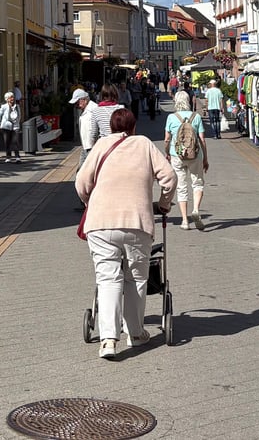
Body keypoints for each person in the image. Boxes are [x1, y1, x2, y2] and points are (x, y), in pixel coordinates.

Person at [76, 108, 177, 360]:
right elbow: (170, 177)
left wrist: (90, 202)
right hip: (136, 222)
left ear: (111, 127)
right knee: (135, 278)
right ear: (134, 127)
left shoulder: (101, 145)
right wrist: (164, 204)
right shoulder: (143, 144)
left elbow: (81, 182)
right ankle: (135, 333)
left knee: (108, 279)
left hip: (100, 223)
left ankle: (108, 340)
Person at [163, 90, 209, 230]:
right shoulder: (196, 117)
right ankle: (195, 210)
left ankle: (184, 221)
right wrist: (205, 158)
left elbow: (167, 139)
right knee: (197, 184)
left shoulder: (171, 117)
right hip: (195, 155)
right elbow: (202, 140)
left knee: (181, 187)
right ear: (188, 101)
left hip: (177, 155)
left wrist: (167, 153)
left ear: (176, 102)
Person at [69, 87, 95, 169]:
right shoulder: (85, 110)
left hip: (91, 147)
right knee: (80, 172)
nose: (76, 105)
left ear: (84, 100)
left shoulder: (93, 109)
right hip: (85, 146)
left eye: (77, 102)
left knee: (84, 173)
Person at [0, 92, 23, 163]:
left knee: (16, 141)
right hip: (6, 126)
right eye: (10, 98)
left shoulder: (17, 106)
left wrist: (17, 122)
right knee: (7, 142)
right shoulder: (4, 106)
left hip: (15, 126)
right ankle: (8, 157)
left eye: (13, 97)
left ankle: (17, 157)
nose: (12, 99)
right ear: (7, 99)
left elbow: (19, 115)